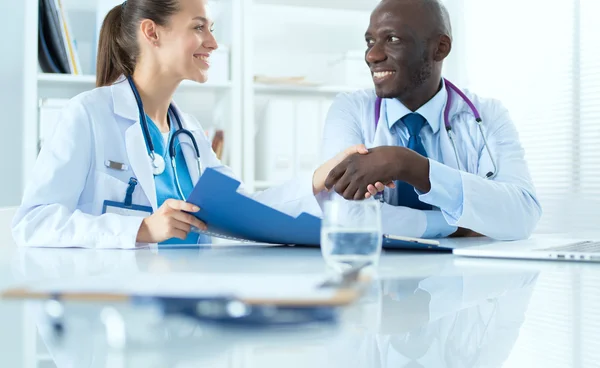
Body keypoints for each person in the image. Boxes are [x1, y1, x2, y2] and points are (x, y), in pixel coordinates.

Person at [11, 0, 366, 248]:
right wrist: (141, 229)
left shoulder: (189, 134)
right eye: (199, 28)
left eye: (211, 29)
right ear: (152, 33)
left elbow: (247, 208)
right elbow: (33, 223)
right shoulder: (88, 114)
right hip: (116, 318)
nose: (212, 43)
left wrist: (319, 178)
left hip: (186, 308)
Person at [320, 0, 542, 241]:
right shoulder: (350, 110)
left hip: (465, 275)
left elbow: (523, 215)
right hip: (375, 272)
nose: (372, 55)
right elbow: (343, 215)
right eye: (370, 41)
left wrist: (408, 165)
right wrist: (457, 225)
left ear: (440, 48)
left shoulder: (487, 115)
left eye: (392, 39)